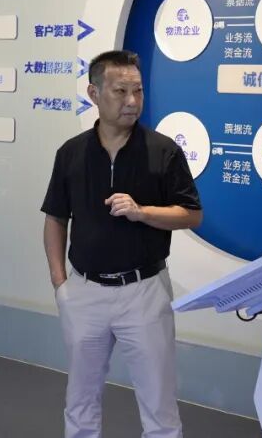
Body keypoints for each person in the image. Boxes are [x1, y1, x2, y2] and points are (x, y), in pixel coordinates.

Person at [41, 49, 202, 438]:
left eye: (138, 91)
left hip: (144, 292)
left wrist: (142, 212)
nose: (132, 101)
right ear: (94, 93)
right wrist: (60, 283)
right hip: (84, 291)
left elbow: (191, 214)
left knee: (159, 406)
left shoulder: (163, 150)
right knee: (80, 401)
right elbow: (55, 218)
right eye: (120, 91)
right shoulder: (71, 152)